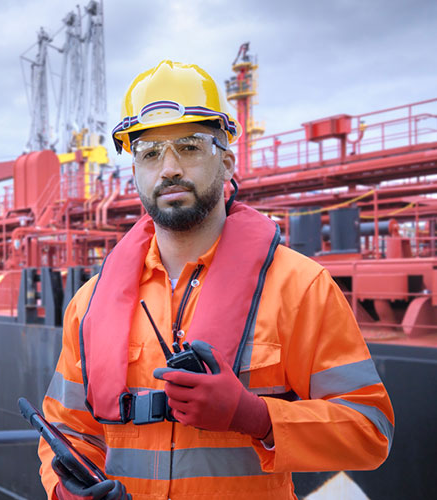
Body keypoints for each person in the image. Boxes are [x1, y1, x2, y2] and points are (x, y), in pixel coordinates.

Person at [37, 60, 394, 500]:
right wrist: (66, 491)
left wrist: (257, 417)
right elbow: (66, 432)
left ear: (226, 163)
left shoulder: (299, 288)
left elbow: (369, 430)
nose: (168, 169)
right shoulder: (90, 303)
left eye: (188, 147)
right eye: (149, 153)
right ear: (134, 175)